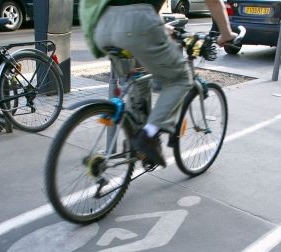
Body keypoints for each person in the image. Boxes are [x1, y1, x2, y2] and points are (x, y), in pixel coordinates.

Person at [79, 0, 238, 168]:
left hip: (103, 26)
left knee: (138, 80)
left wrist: (159, 25)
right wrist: (226, 34)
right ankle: (148, 135)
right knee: (181, 78)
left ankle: (134, 142)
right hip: (136, 25)